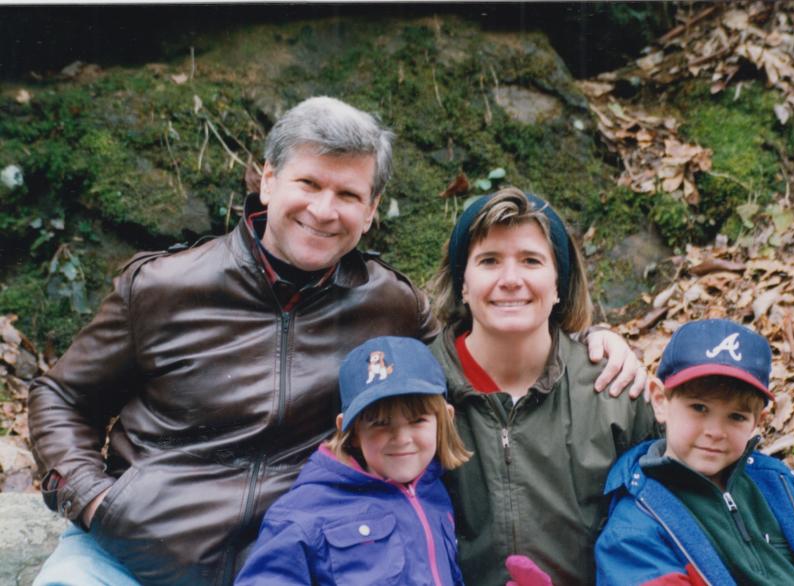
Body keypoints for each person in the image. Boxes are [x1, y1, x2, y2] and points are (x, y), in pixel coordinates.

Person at [28, 96, 644, 585]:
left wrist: (589, 339)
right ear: (267, 181)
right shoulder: (163, 285)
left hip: (293, 557)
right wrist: (93, 499)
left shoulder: (387, 303)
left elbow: (490, 330)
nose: (325, 211)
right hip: (125, 555)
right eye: (309, 184)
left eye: (348, 194)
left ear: (372, 210)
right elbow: (60, 395)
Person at [428, 187, 659, 586]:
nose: (511, 280)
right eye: (489, 261)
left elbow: (665, 522)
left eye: (531, 261)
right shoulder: (419, 388)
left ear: (558, 285)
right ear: (463, 284)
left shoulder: (612, 388)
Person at [595, 319, 794, 586]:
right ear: (661, 401)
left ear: (757, 422)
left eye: (736, 416)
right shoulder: (634, 530)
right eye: (699, 408)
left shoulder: (787, 490)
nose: (715, 431)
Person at [235, 336, 470, 585]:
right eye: (380, 423)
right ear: (351, 431)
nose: (402, 439)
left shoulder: (436, 493)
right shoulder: (304, 511)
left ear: (445, 418)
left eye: (418, 420)